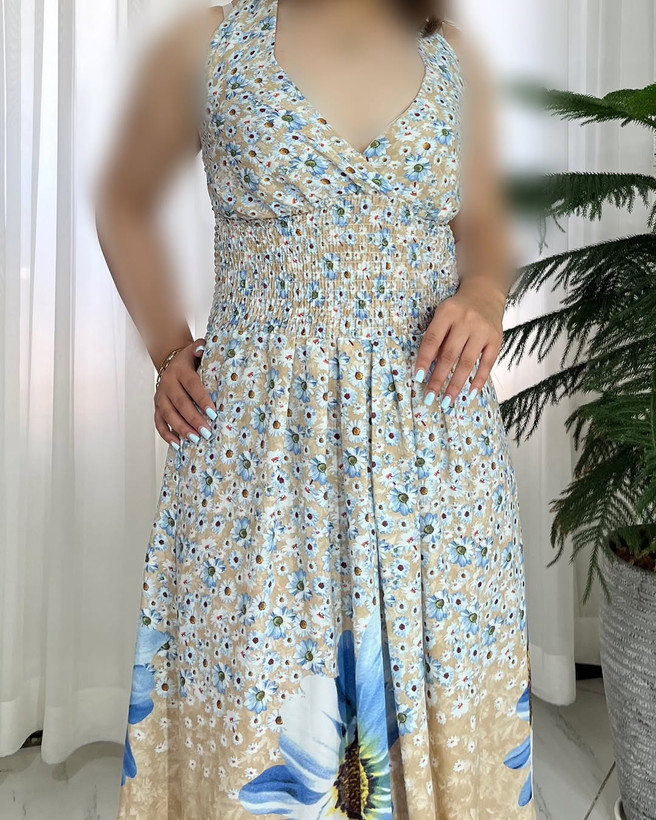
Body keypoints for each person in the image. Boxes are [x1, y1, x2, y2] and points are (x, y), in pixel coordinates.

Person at [95, 0, 535, 817]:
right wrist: (167, 349)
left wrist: (483, 292)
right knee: (256, 704)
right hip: (261, 450)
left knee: (437, 700)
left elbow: (485, 221)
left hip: (432, 447)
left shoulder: (451, 53)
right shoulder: (211, 43)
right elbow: (122, 198)